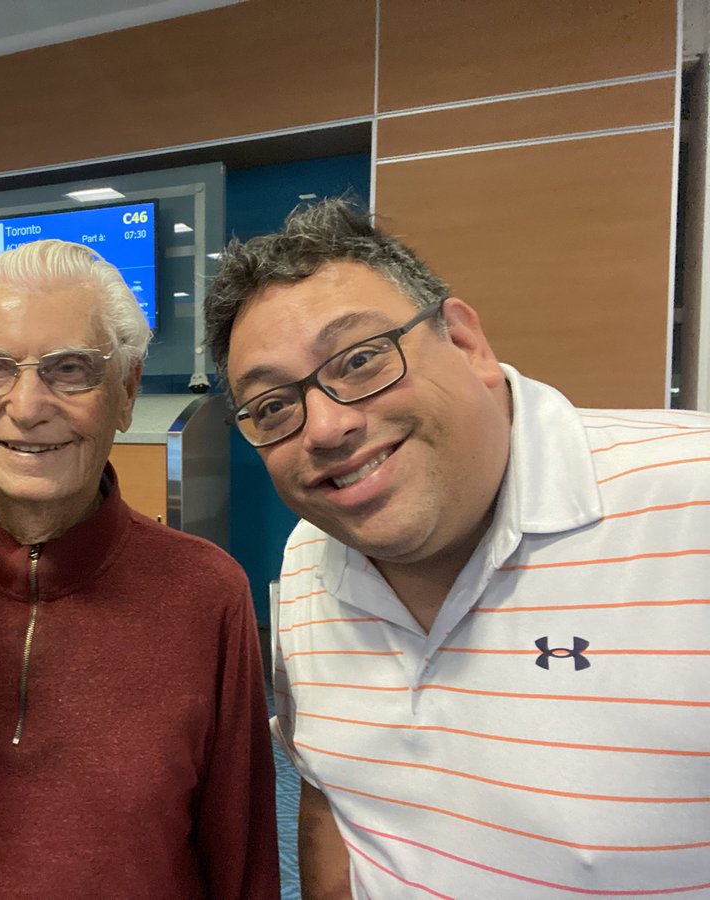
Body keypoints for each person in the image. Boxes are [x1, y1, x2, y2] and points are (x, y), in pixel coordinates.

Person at [204, 198, 710, 898]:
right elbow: (332, 795)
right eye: (273, 407)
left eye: (360, 360)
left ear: (468, 343)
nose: (324, 427)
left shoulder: (691, 504)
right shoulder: (308, 560)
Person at [0, 239, 280, 898]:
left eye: (71, 369)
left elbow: (242, 857)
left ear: (127, 390)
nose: (27, 407)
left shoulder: (206, 594)